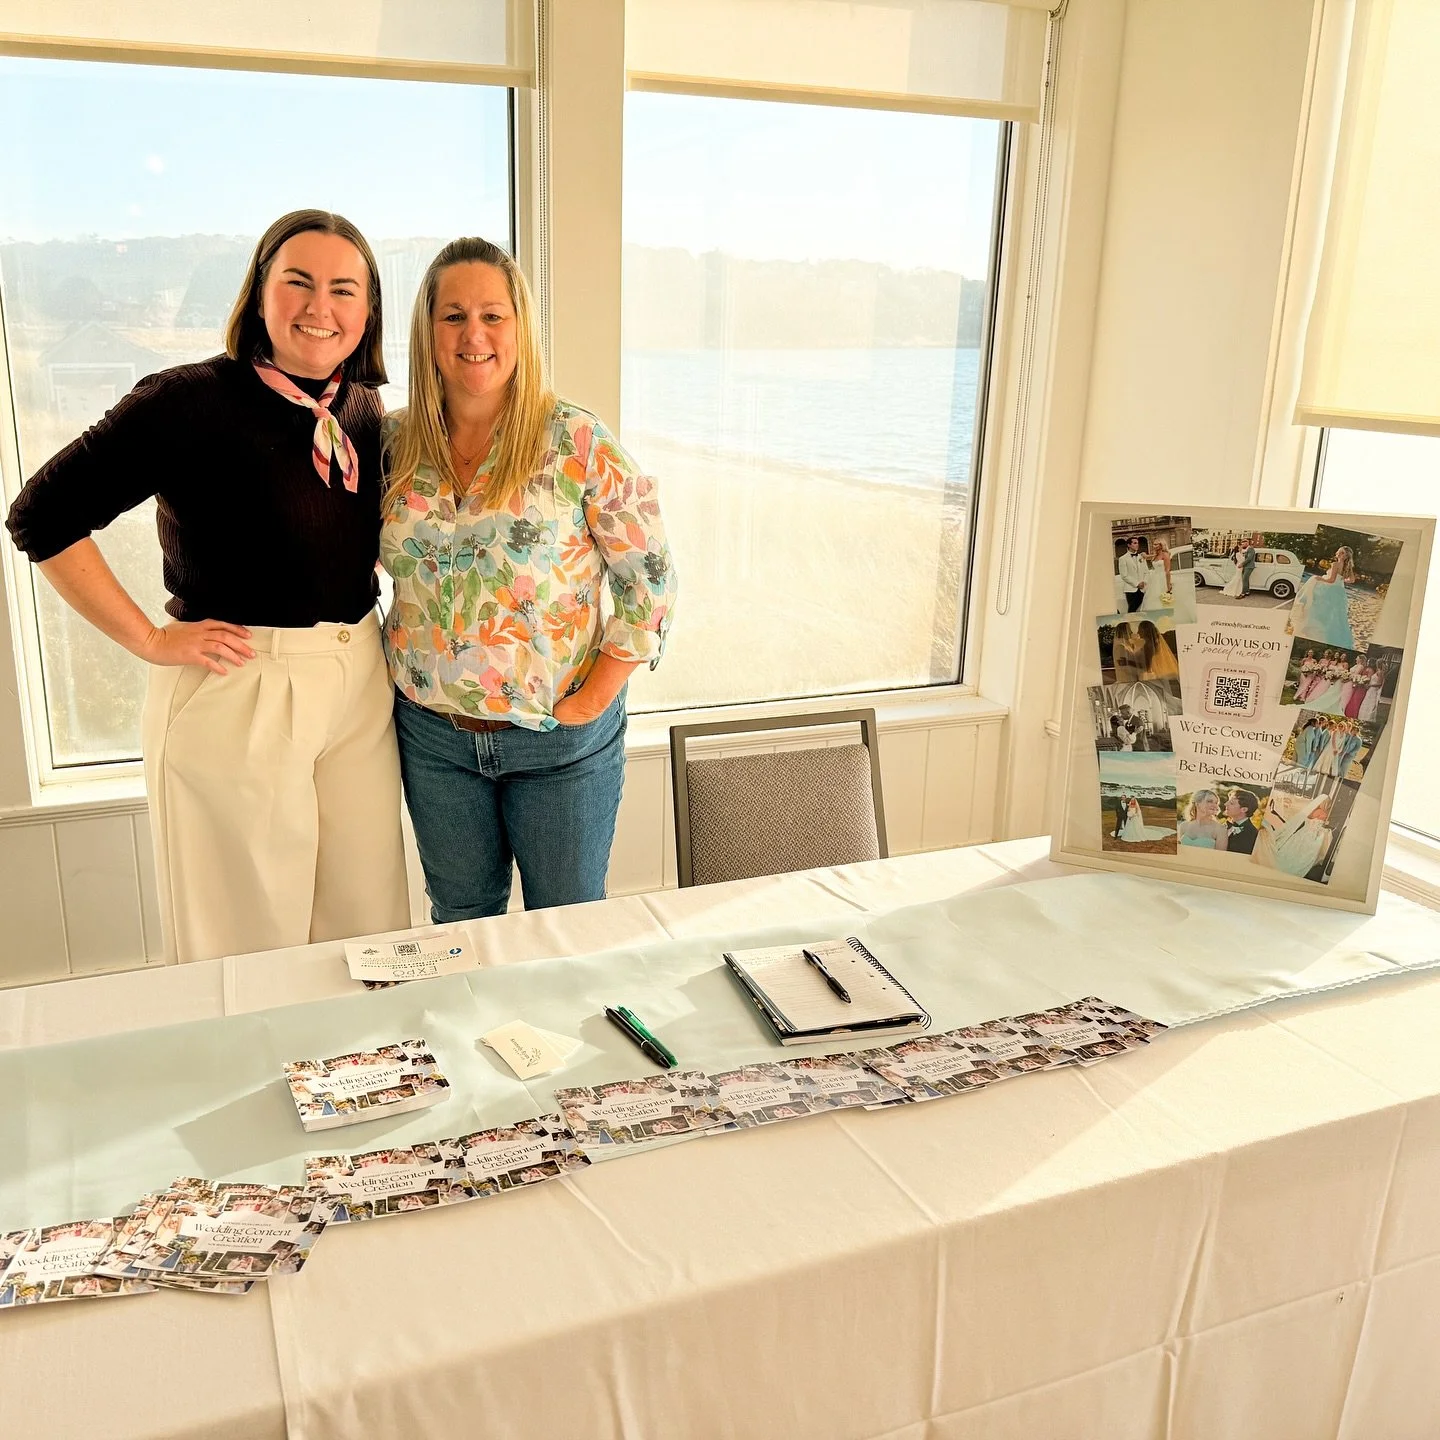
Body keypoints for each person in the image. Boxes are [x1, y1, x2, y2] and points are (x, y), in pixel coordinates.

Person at [4, 209, 409, 964]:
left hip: (358, 682)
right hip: (239, 686)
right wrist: (150, 639)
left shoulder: (359, 407)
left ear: (368, 312)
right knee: (246, 946)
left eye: (344, 290)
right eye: (298, 282)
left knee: (371, 935)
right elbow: (41, 516)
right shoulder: (187, 401)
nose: (321, 307)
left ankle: (373, 1083)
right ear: (259, 295)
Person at [382, 237, 677, 919]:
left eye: (493, 315)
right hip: (434, 740)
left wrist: (591, 700)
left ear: (521, 329)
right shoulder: (393, 445)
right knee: (461, 928)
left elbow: (651, 580)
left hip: (559, 741)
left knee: (566, 930)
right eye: (453, 316)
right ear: (428, 333)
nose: (473, 334)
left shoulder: (577, 440)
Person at [1291, 545, 1356, 647]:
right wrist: (1342, 580)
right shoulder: (1348, 567)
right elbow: (1352, 580)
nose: (1338, 553)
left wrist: (1318, 578)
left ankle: (1321, 634)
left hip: (1330, 590)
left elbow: (1331, 580)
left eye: (1341, 552)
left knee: (1322, 610)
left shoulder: (1335, 564)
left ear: (1344, 555)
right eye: (1339, 551)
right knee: (1337, 615)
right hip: (1340, 592)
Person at [1222, 789, 1260, 854]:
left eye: (1231, 803)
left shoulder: (1253, 835)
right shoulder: (1222, 826)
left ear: (1244, 809)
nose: (1226, 804)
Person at [1140, 540, 1173, 612]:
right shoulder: (1155, 555)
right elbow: (1143, 556)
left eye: (1156, 544)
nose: (1153, 546)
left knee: (1163, 597)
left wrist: (1168, 585)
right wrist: (1145, 555)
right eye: (1153, 544)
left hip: (1163, 578)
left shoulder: (1165, 554)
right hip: (1154, 579)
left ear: (1161, 545)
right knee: (1153, 597)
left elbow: (1167, 570)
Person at [1117, 536, 1149, 612]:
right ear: (1129, 545)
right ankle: (1128, 623)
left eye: (1137, 543)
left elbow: (1146, 572)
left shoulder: (1141, 557)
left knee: (1141, 610)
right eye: (1134, 543)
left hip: (1142, 588)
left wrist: (1144, 582)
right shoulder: (1123, 559)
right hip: (1130, 589)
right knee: (1132, 610)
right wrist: (1137, 584)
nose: (1137, 545)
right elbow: (1124, 575)